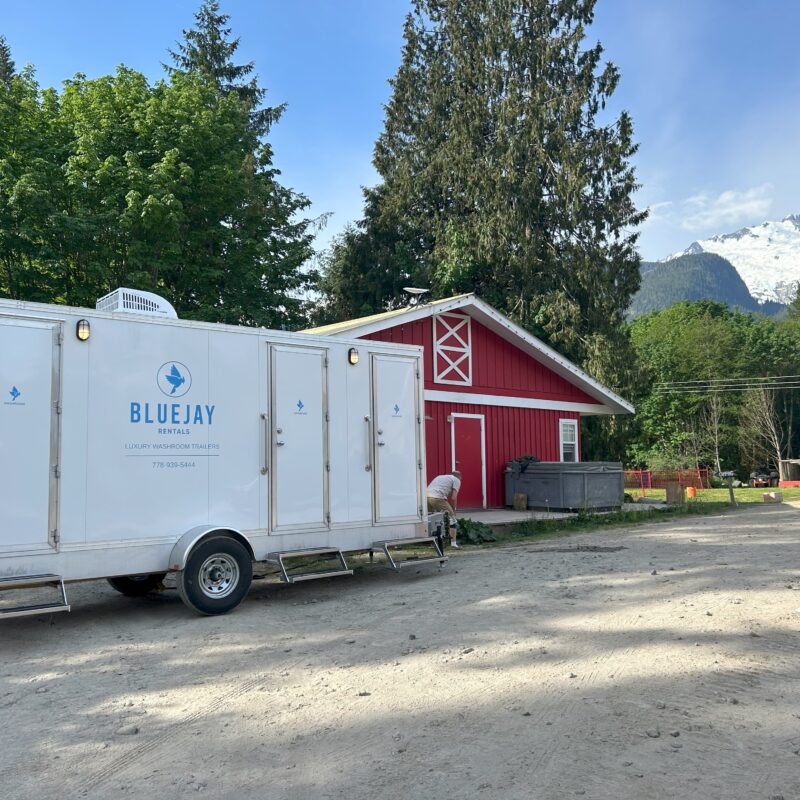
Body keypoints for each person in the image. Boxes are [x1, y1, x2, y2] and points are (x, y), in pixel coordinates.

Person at [426, 471, 461, 547]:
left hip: (426, 497)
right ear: (459, 477)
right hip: (437, 498)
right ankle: (453, 544)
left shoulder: (440, 477)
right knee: (452, 520)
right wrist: (453, 510)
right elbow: (454, 497)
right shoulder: (456, 480)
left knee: (432, 520)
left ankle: (433, 542)